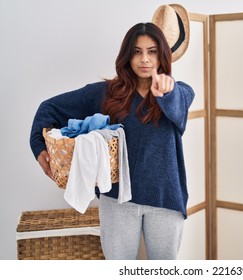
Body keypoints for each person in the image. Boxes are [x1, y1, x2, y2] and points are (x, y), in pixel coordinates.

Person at [29, 6, 194, 260]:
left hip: (165, 200)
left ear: (162, 57)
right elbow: (49, 108)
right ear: (127, 56)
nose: (145, 59)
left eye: (152, 52)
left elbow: (178, 103)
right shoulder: (106, 93)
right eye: (137, 52)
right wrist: (38, 144)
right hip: (117, 201)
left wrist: (166, 91)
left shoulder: (180, 92)